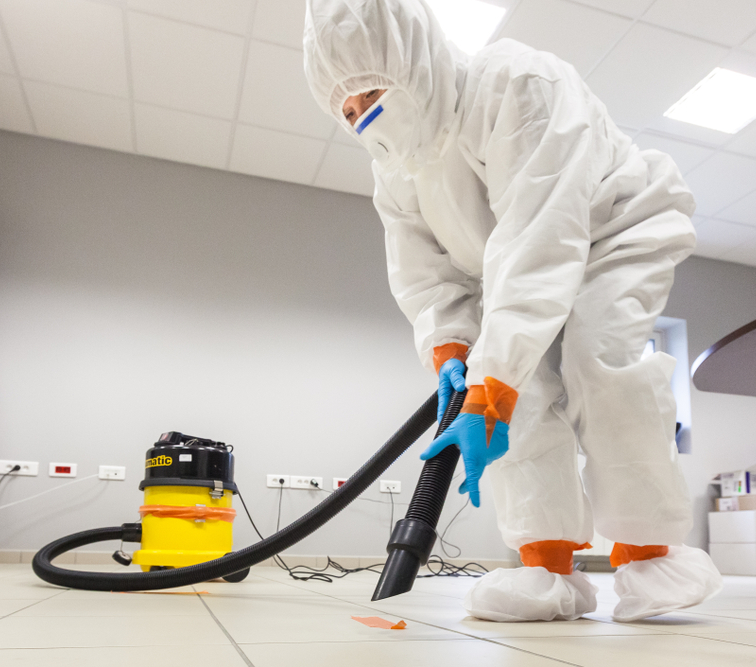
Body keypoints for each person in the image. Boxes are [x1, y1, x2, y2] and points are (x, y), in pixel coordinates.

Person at [304, 0, 722, 622]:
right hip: (514, 266)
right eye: (348, 110)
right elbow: (425, 275)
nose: (365, 117)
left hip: (615, 232)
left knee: (595, 356)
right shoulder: (393, 170)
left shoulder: (516, 84)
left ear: (413, 60)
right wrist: (452, 350)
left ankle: (650, 553)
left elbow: (540, 236)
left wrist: (493, 385)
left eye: (371, 93)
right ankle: (546, 566)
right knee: (510, 387)